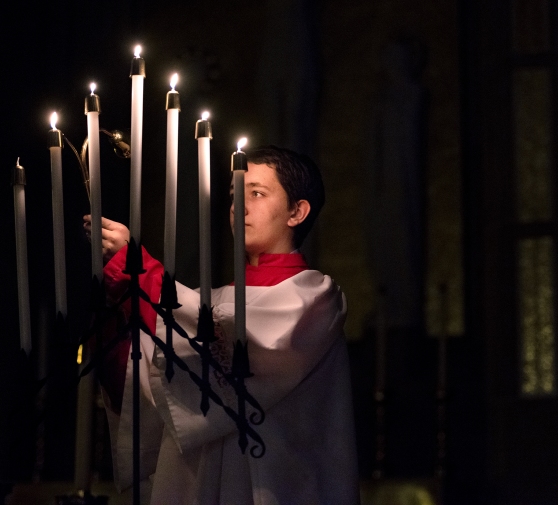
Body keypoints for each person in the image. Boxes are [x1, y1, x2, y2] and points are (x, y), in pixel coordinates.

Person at [85, 145, 359, 505]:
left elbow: (238, 348)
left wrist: (140, 273)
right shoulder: (209, 301)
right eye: (234, 195)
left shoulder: (316, 297)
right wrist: (117, 315)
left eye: (256, 193)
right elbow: (154, 387)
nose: (238, 207)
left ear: (297, 211)